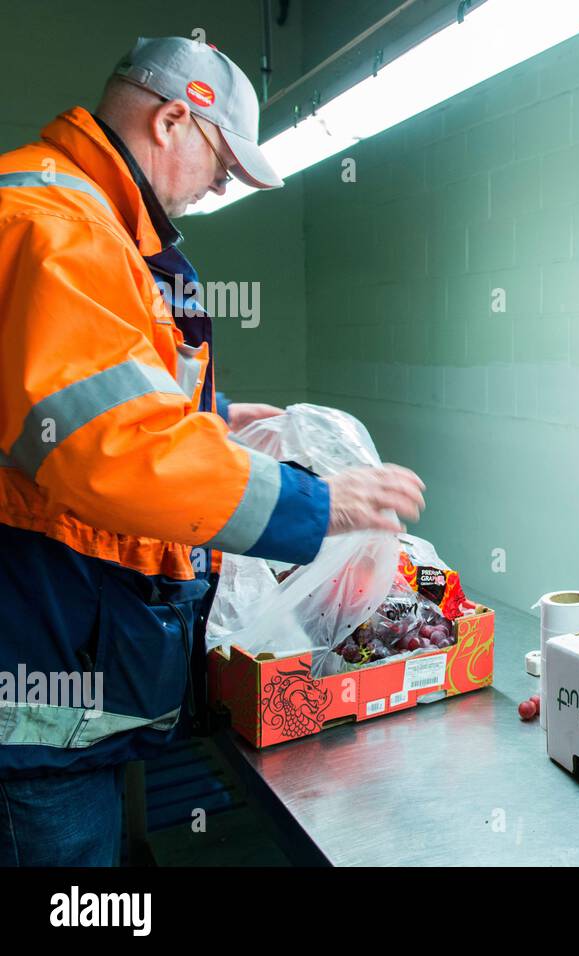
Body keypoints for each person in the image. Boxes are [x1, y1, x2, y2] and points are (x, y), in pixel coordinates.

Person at [0, 37, 425, 865]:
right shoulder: (55, 227)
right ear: (171, 120)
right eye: (222, 166)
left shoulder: (93, 225)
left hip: (69, 667)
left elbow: (82, 389)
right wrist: (320, 503)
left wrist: (216, 417)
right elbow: (110, 448)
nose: (218, 189)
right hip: (36, 680)